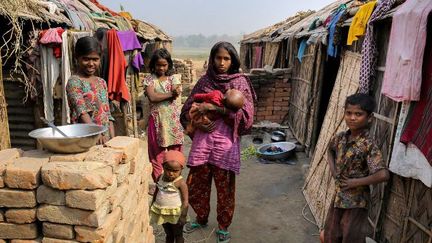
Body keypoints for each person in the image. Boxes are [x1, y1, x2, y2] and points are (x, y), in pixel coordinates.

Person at [180, 41, 256, 243]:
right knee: (197, 185)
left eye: (226, 58)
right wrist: (197, 122)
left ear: (233, 60)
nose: (222, 62)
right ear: (212, 59)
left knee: (225, 190)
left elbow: (247, 119)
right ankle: (201, 217)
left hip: (225, 148)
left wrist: (219, 110)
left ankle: (223, 226)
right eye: (218, 58)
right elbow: (187, 107)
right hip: (202, 145)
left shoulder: (240, 83)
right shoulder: (205, 81)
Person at [323, 93, 390, 243]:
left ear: (369, 117)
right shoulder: (340, 137)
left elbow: (383, 175)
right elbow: (330, 150)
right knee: (331, 234)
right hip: (339, 197)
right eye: (349, 113)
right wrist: (334, 172)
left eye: (358, 114)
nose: (352, 118)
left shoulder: (368, 144)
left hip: (357, 203)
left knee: (351, 237)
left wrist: (355, 182)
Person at [143, 48, 184, 184]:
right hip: (157, 121)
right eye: (158, 65)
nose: (161, 68)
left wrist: (170, 94)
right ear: (153, 65)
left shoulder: (173, 78)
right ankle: (160, 184)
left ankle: (175, 184)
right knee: (157, 155)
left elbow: (176, 93)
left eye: (164, 65)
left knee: (175, 153)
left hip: (172, 122)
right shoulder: (149, 79)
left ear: (169, 65)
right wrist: (169, 94)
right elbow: (152, 97)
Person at [66, 36, 115, 144]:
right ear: (77, 58)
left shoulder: (101, 82)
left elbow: (107, 114)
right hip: (86, 138)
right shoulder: (74, 82)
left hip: (105, 138)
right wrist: (96, 134)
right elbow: (82, 112)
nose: (91, 64)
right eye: (86, 59)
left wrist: (113, 139)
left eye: (95, 59)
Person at [150, 150, 189, 243]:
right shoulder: (160, 177)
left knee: (178, 234)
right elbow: (157, 191)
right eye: (168, 169)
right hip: (163, 212)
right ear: (163, 166)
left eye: (175, 171)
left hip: (175, 214)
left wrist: (183, 216)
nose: (171, 173)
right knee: (168, 233)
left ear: (181, 169)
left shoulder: (180, 183)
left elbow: (185, 201)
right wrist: (152, 204)